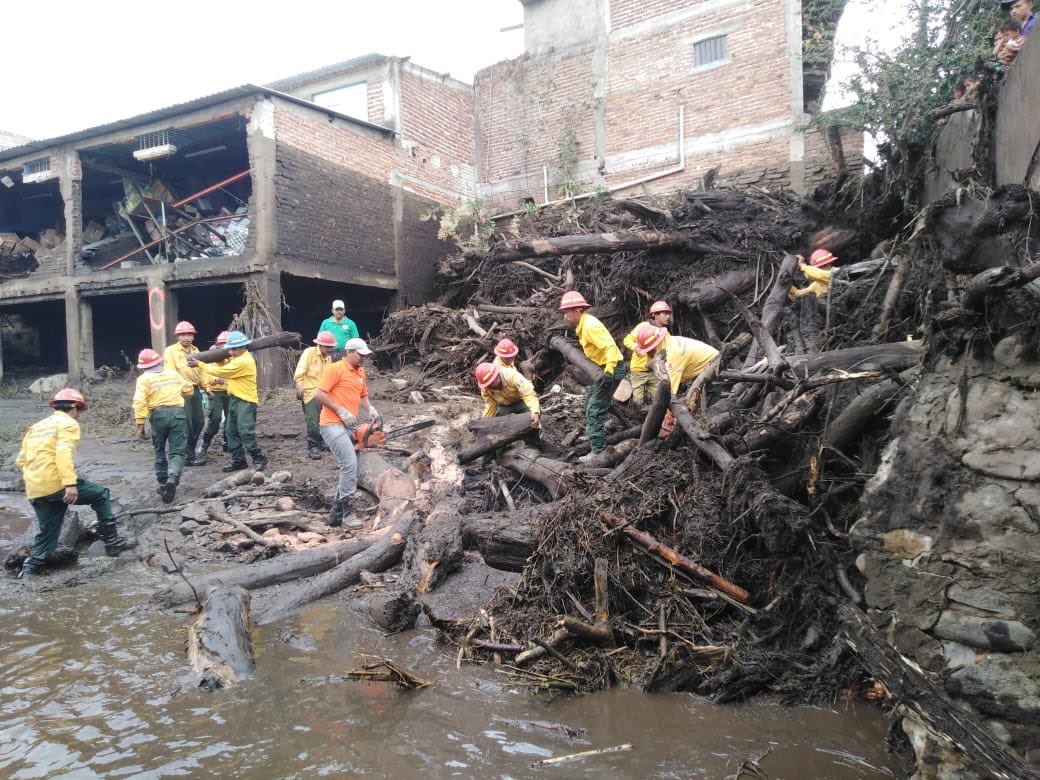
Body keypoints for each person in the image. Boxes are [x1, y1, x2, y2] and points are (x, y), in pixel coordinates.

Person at [15, 388, 136, 577]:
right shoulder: (68, 424)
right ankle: (113, 544)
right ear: (75, 408)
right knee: (100, 494)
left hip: (35, 488)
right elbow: (63, 454)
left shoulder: (37, 427)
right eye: (79, 411)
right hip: (57, 483)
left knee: (48, 532)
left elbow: (21, 461)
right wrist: (70, 484)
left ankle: (30, 569)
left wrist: (34, 482)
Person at [313, 337, 379, 528]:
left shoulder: (361, 372)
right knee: (349, 464)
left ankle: (336, 514)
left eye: (365, 356)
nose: (363, 359)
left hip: (350, 425)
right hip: (332, 423)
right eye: (360, 355)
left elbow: (362, 395)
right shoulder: (335, 369)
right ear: (349, 352)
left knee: (354, 468)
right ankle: (346, 514)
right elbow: (319, 393)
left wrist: (370, 409)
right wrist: (340, 409)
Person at [558, 290, 627, 462]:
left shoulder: (589, 326)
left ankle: (598, 450)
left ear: (577, 310)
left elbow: (610, 347)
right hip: (605, 368)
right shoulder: (583, 324)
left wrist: (609, 371)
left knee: (595, 409)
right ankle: (593, 434)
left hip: (612, 368)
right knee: (590, 401)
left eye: (567, 312)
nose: (565, 316)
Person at [189, 330, 268, 473]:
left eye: (233, 348)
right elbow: (224, 364)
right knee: (231, 431)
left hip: (246, 402)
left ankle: (259, 457)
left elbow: (221, 372)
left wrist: (200, 364)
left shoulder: (244, 361)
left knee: (245, 431)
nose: (231, 351)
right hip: (235, 399)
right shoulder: (237, 358)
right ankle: (238, 460)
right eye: (230, 348)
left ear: (243, 347)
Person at [132, 348, 193, 504]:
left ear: (143, 367)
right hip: (178, 413)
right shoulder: (172, 373)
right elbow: (188, 389)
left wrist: (140, 424)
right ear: (159, 362)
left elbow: (139, 402)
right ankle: (173, 477)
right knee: (177, 450)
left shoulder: (144, 379)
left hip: (158, 415)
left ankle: (162, 483)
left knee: (159, 449)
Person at [163, 320, 208, 466]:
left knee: (199, 422)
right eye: (182, 335)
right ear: (177, 337)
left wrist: (206, 387)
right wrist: (183, 386)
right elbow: (170, 372)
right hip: (180, 391)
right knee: (186, 423)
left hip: (195, 390)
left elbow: (201, 371)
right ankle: (189, 455)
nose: (186, 337)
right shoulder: (171, 351)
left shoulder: (196, 351)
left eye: (189, 334)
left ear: (193, 336)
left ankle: (190, 450)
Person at [294, 330, 336, 460]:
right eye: (328, 347)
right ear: (320, 345)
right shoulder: (309, 353)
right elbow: (300, 370)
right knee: (312, 420)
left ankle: (322, 441)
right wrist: (299, 386)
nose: (330, 349)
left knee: (324, 419)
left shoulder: (328, 358)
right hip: (310, 392)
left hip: (323, 392)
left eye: (331, 347)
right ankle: (313, 446)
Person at [623, 300, 673, 405]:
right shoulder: (643, 326)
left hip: (655, 371)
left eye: (668, 314)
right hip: (638, 370)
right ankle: (636, 417)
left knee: (658, 399)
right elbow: (627, 340)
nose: (668, 317)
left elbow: (670, 351)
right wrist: (636, 347)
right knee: (638, 400)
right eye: (664, 314)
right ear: (655, 315)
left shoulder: (665, 334)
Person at [474, 362, 541, 428]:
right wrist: (484, 423)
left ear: (496, 376)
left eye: (490, 383)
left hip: (522, 401)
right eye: (487, 385)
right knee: (497, 425)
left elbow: (528, 393)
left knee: (532, 419)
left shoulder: (512, 375)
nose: (489, 387)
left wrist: (535, 412)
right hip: (505, 407)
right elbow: (490, 405)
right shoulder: (485, 388)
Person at [199, 330, 230, 458]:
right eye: (220, 345)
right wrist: (209, 386)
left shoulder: (233, 359)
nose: (222, 348)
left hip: (230, 392)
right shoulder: (211, 359)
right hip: (215, 393)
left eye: (225, 345)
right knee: (215, 419)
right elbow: (205, 375)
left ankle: (228, 443)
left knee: (231, 419)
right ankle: (205, 443)